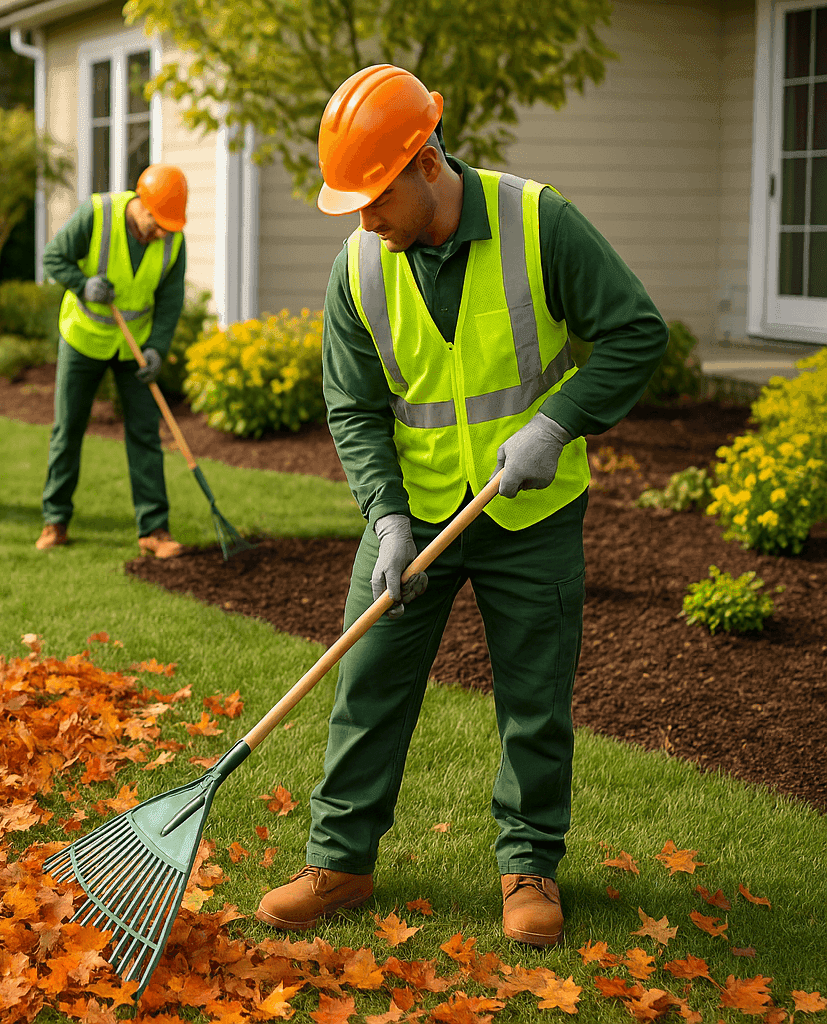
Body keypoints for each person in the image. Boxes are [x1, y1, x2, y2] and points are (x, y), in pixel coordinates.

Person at [253, 65, 668, 948]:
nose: (364, 219)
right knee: (368, 682)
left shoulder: (539, 222)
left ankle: (529, 864)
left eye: (374, 197)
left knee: (534, 695)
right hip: (413, 511)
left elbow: (636, 331)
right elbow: (354, 407)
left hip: (532, 510)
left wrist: (558, 424)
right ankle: (340, 859)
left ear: (428, 161)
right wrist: (389, 520)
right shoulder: (360, 265)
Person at [36, 164, 190, 557]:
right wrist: (82, 284)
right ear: (140, 202)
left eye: (168, 226)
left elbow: (170, 303)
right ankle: (55, 521)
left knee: (144, 433)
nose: (161, 233)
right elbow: (54, 258)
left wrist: (156, 348)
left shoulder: (173, 240)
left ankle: (154, 530)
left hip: (134, 347)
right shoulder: (97, 214)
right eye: (156, 222)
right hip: (84, 338)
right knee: (68, 429)